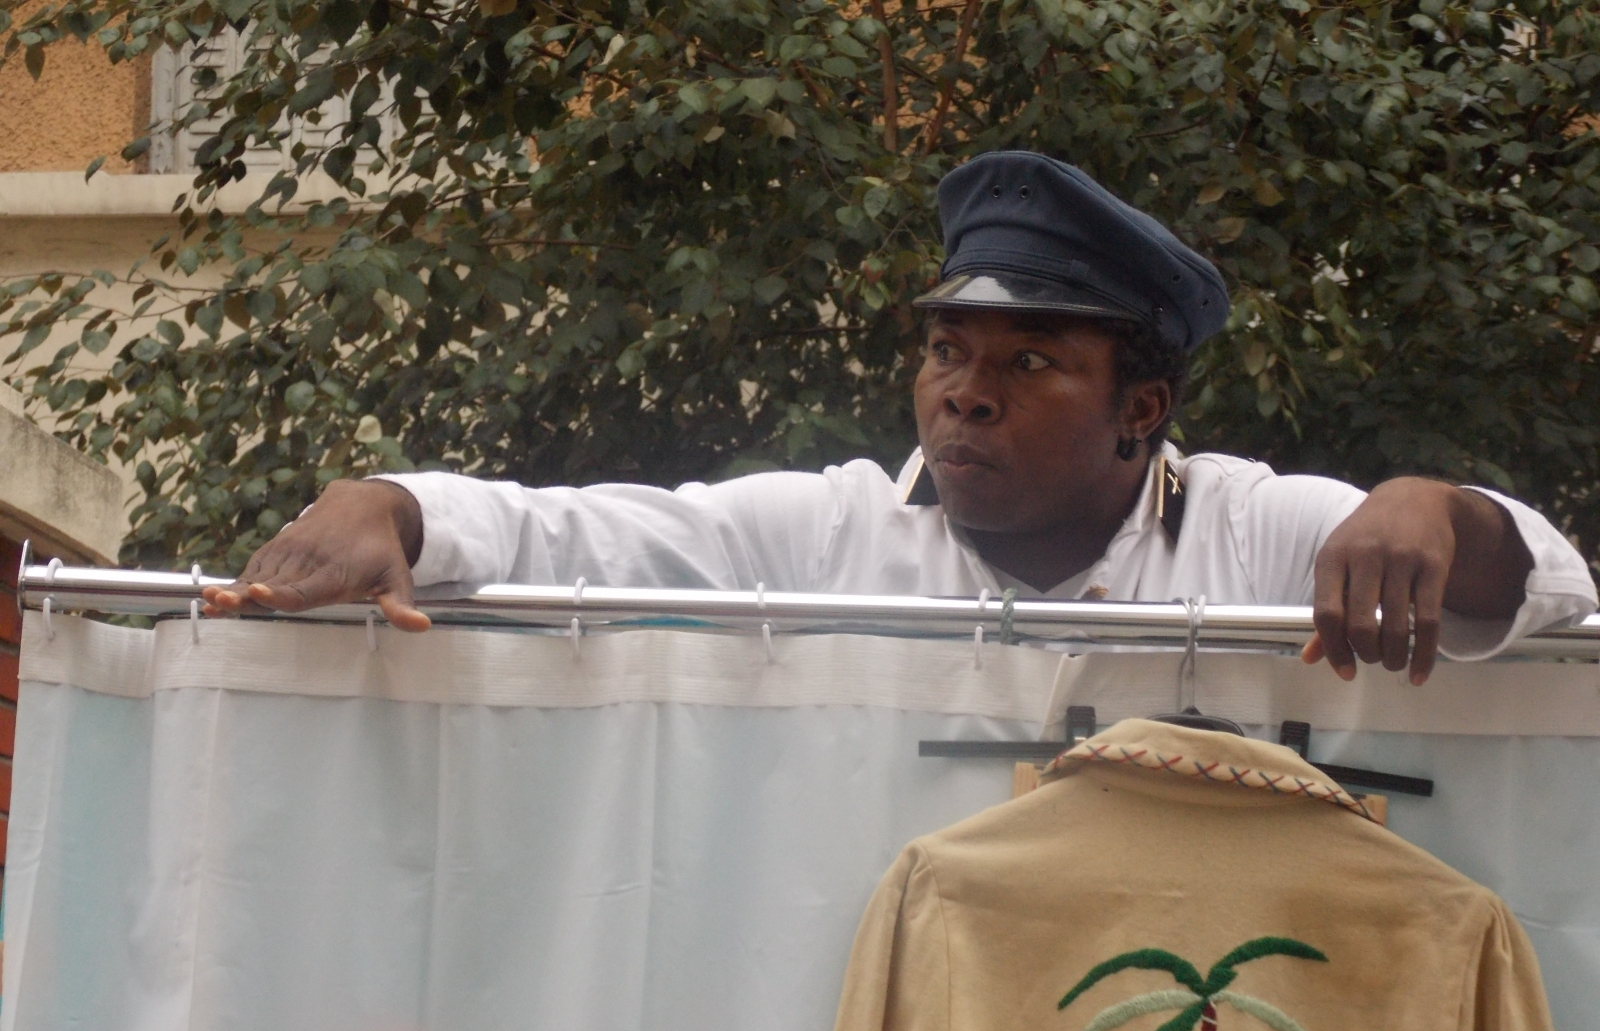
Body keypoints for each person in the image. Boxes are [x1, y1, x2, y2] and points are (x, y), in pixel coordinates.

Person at [203, 152, 1597, 683]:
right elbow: (582, 537)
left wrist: (1438, 512)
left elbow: (1558, 601)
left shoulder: (1261, 532)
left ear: (1143, 407)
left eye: (1029, 361)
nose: (964, 391)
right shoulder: (829, 531)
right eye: (945, 349)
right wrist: (392, 507)